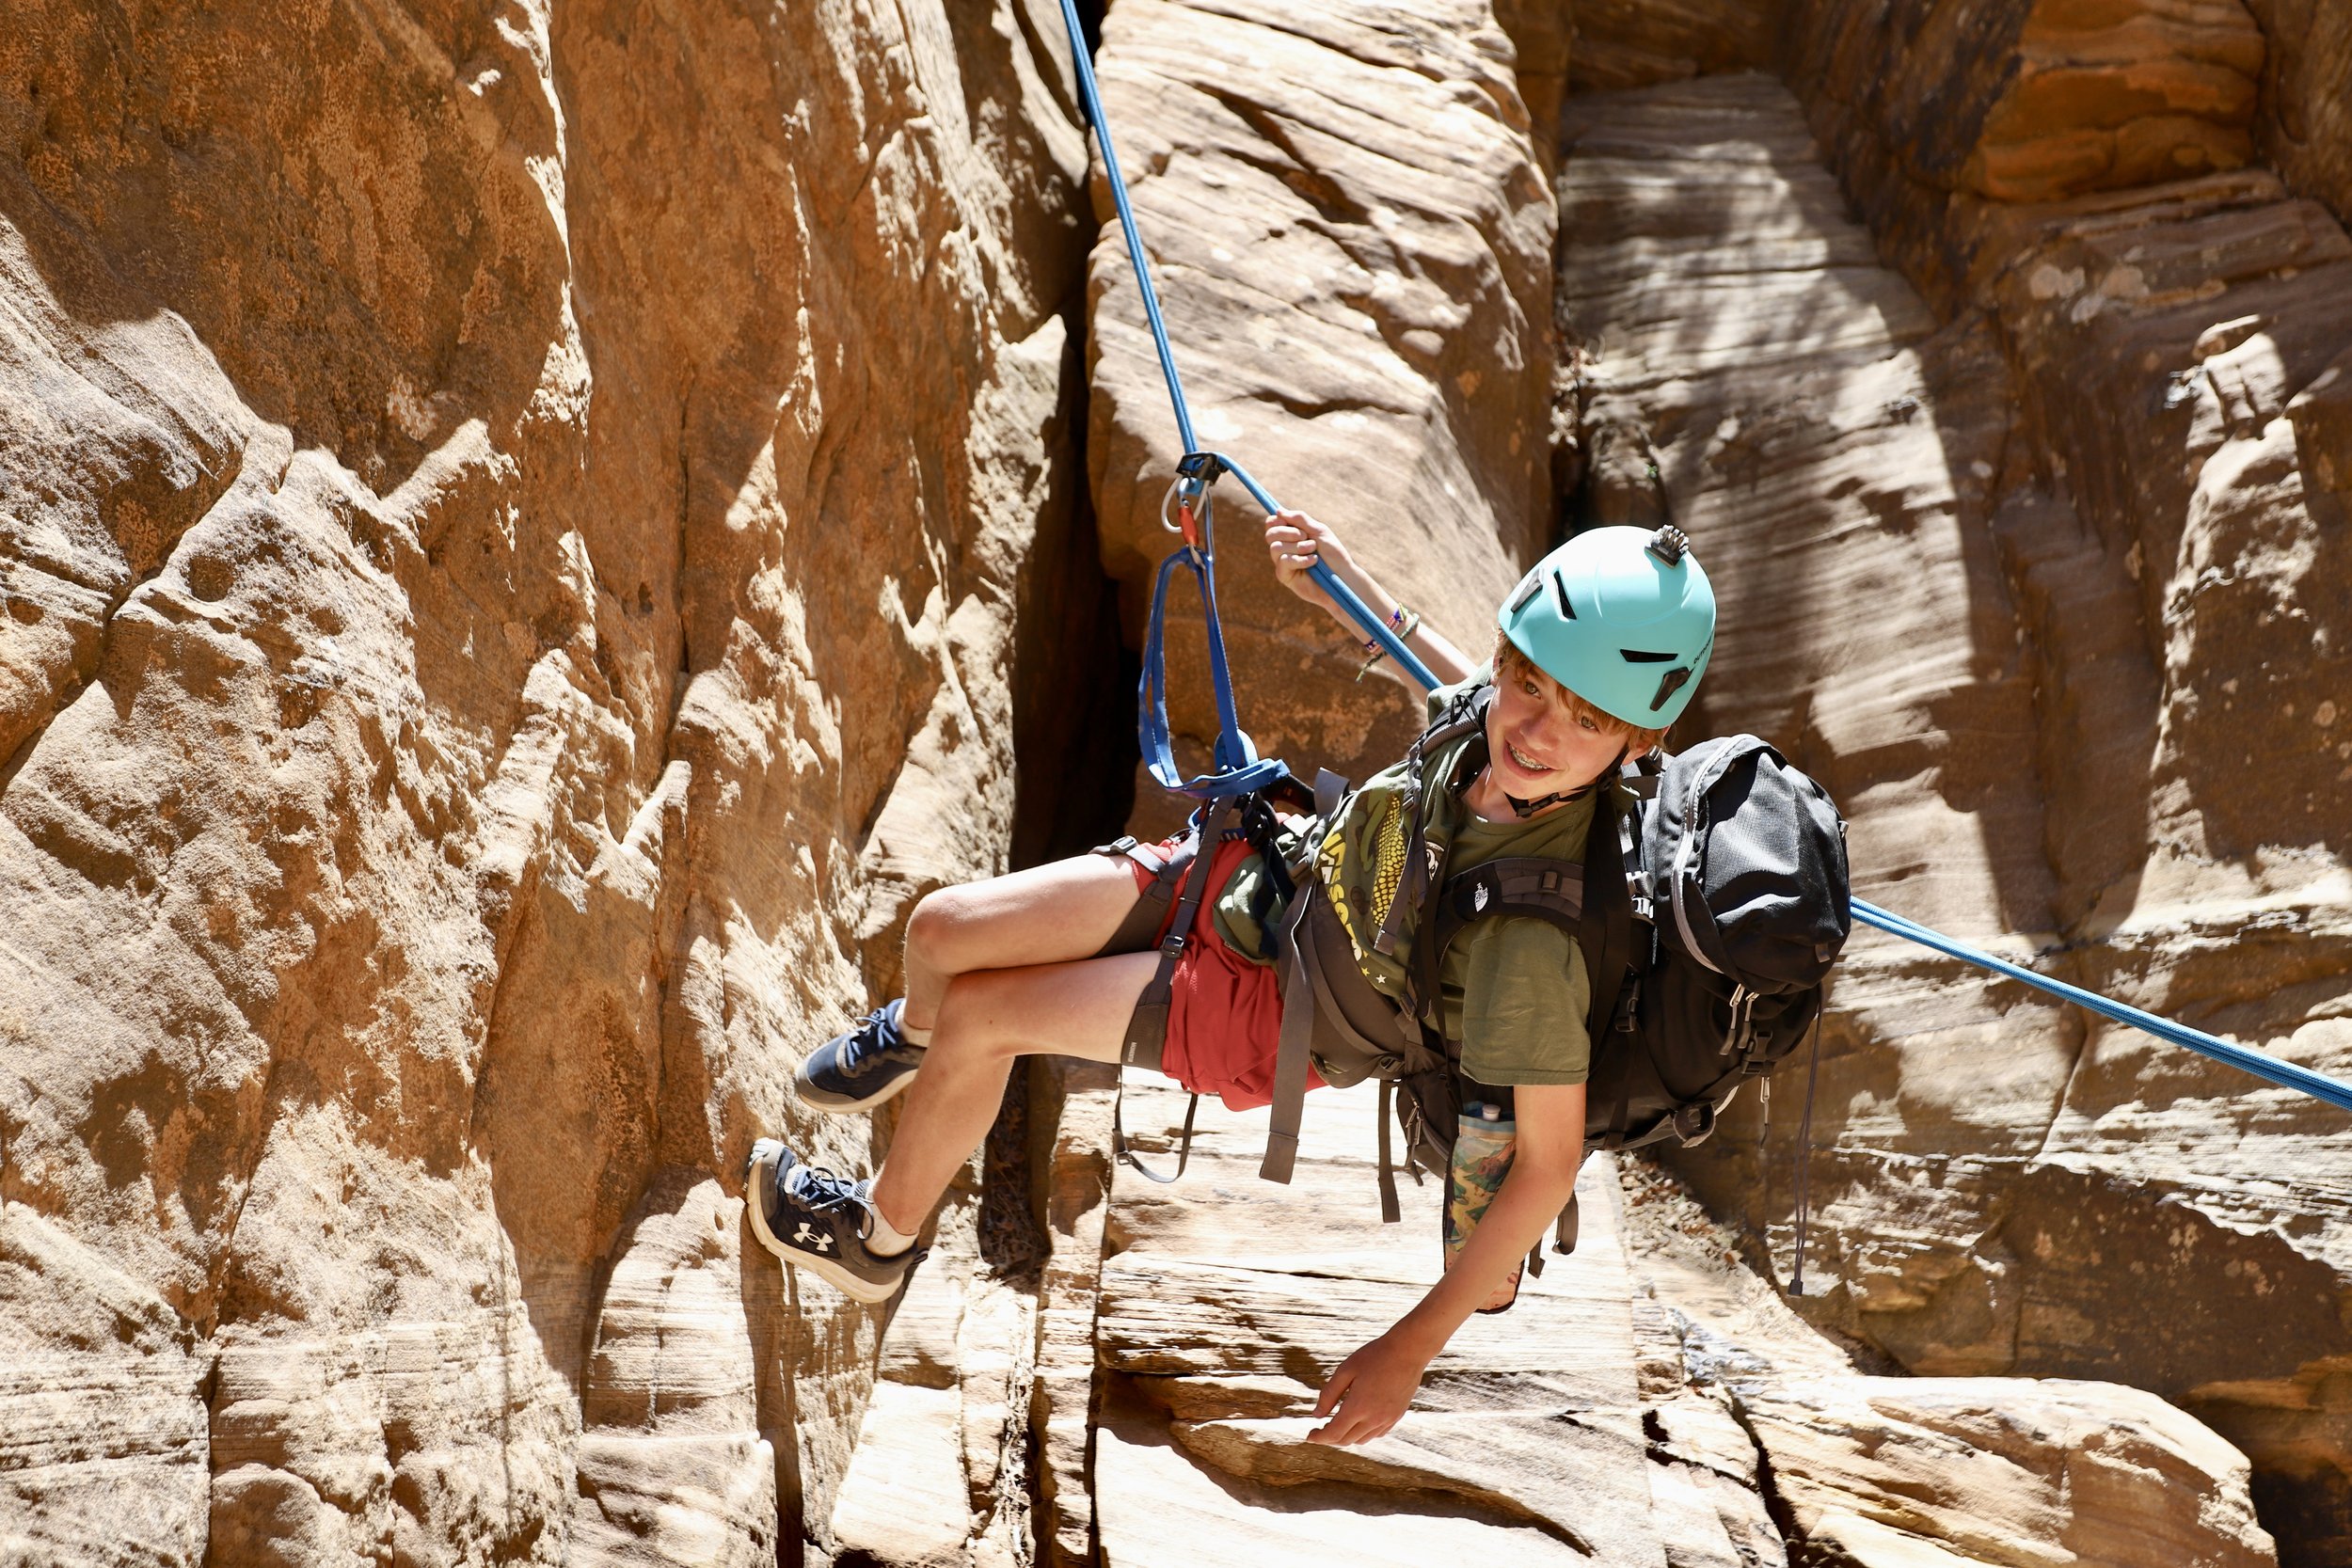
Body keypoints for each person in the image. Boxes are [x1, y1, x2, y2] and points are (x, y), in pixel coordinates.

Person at [744, 508, 1714, 1448]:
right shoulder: (1489, 725)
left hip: (1271, 1014)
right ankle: (911, 1043)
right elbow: (1446, 671)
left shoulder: (1530, 940)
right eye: (1527, 680)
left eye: (1583, 719)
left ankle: (875, 1238)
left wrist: (1407, 1350)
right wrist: (1336, 576)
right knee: (943, 928)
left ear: (1637, 744)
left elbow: (1542, 1166)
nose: (1535, 728)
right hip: (1251, 878)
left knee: (983, 1015)